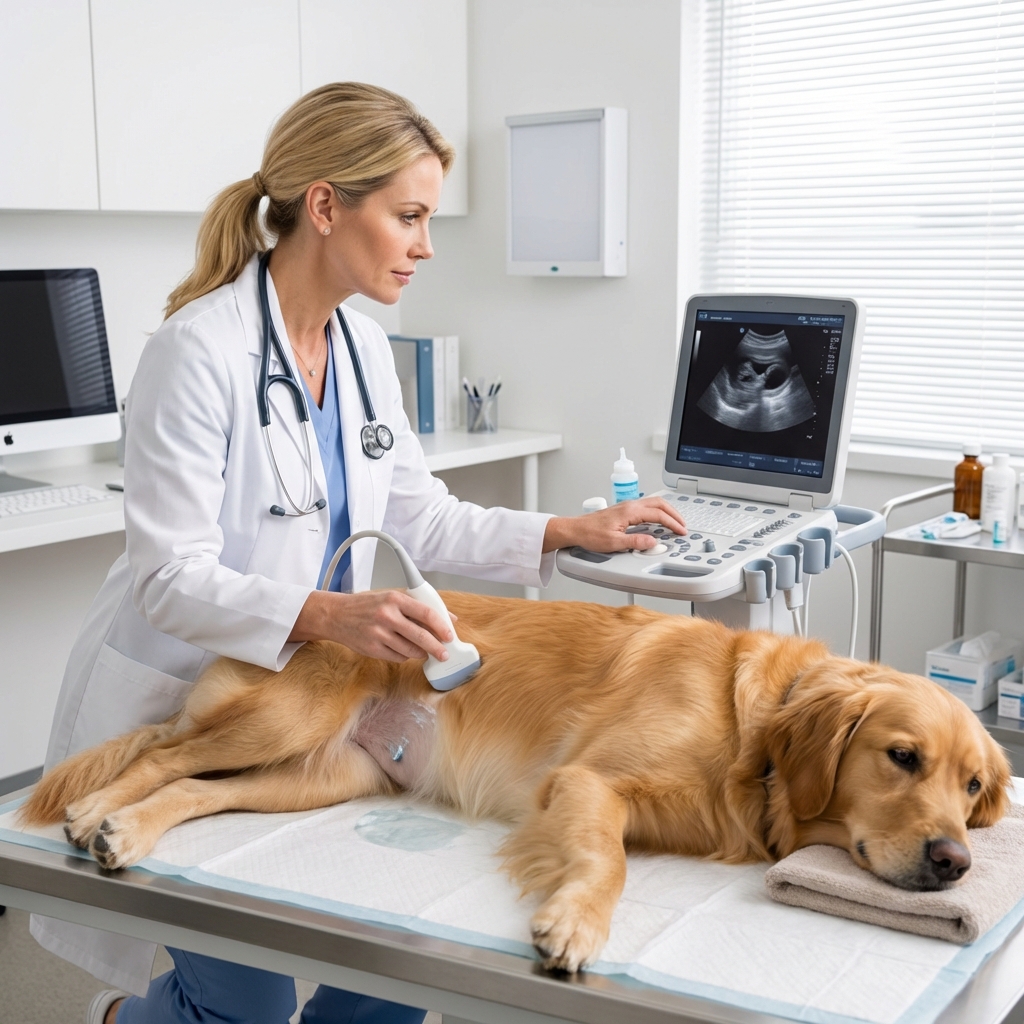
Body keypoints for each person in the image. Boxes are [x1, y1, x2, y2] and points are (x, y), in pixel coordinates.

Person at [31, 83, 686, 1024]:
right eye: (409, 217)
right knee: (243, 1011)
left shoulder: (366, 350)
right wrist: (330, 614)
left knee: (391, 972)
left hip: (301, 700)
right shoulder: (197, 351)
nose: (425, 245)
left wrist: (559, 532)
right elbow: (168, 577)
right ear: (328, 205)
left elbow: (417, 513)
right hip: (178, 693)